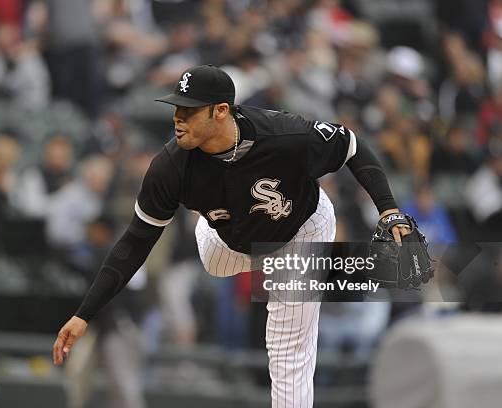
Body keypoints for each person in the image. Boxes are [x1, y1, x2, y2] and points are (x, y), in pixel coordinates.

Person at [53, 65, 412, 408]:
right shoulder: (170, 167)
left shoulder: (283, 135)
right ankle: (218, 225)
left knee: (288, 351)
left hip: (301, 229)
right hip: (225, 244)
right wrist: (85, 313)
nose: (178, 118)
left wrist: (388, 208)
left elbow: (351, 145)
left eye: (190, 110)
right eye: (177, 107)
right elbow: (134, 242)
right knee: (213, 262)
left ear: (221, 111)